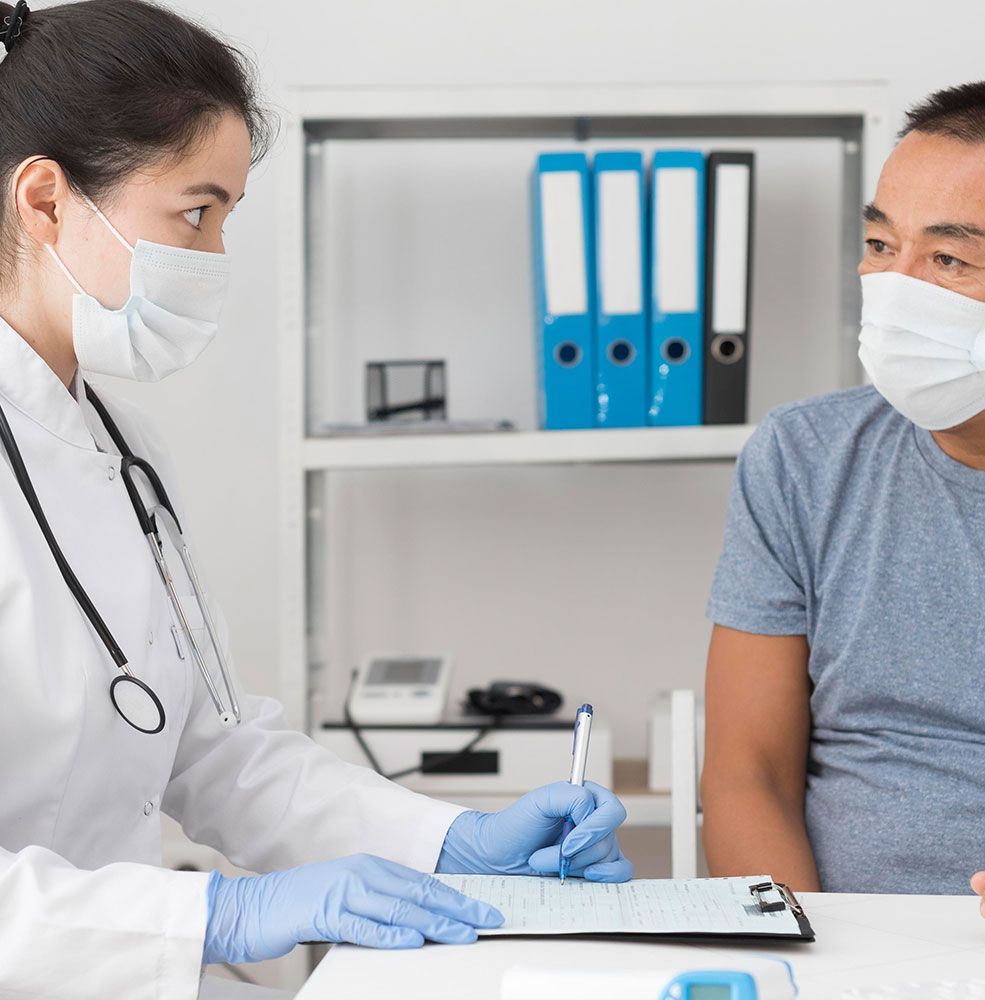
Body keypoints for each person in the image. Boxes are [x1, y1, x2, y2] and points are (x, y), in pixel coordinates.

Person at [0, 2, 632, 997]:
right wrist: (225, 910)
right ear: (46, 200)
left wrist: (453, 839)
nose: (210, 260)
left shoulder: (124, 450)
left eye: (225, 220)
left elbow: (214, 749)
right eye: (193, 213)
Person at [700, 78, 985, 908]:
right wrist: (809, 955)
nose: (894, 290)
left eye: (947, 259)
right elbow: (744, 773)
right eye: (879, 245)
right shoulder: (804, 458)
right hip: (843, 952)